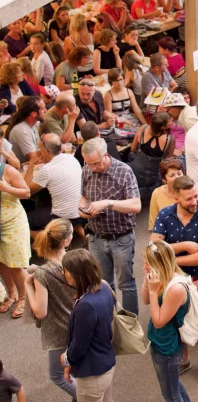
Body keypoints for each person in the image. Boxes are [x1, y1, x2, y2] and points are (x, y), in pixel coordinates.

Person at [150, 175, 198, 390]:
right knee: (178, 322)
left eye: (196, 196)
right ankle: (185, 359)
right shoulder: (165, 214)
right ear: (175, 197)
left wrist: (168, 257)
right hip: (172, 283)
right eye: (189, 198)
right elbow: (153, 249)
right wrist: (185, 245)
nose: (195, 201)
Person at [80, 137, 141, 315]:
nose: (92, 168)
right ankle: (110, 321)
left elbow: (136, 205)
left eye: (96, 163)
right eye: (89, 164)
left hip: (121, 238)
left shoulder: (124, 171)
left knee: (126, 284)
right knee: (103, 283)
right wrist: (83, 209)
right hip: (96, 238)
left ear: (106, 155)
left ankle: (130, 323)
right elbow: (83, 196)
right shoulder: (86, 170)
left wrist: (108, 203)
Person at [24, 218, 77, 400]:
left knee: (58, 375)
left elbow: (40, 312)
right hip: (79, 324)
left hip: (59, 332)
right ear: (66, 241)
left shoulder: (43, 273)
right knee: (75, 369)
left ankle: (89, 397)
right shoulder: (76, 261)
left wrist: (28, 287)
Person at [61, 249, 116, 402]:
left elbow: (79, 344)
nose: (63, 273)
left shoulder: (86, 306)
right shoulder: (104, 287)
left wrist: (67, 358)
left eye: (66, 270)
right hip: (106, 363)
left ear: (76, 274)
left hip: (92, 373)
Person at [141, 240, 192, 402]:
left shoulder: (176, 288)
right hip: (160, 342)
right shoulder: (160, 277)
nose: (144, 266)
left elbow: (158, 322)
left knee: (170, 394)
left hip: (168, 348)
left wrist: (154, 291)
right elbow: (145, 300)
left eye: (147, 263)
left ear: (159, 264)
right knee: (172, 384)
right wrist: (147, 279)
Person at [24, 133, 84, 239]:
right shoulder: (71, 158)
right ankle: (82, 234)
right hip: (81, 211)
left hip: (62, 216)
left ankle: (44, 242)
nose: (39, 152)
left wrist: (31, 163)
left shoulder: (47, 170)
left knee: (24, 219)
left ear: (46, 151)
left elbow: (26, 191)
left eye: (40, 149)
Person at [0, 159, 31, 318]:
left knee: (15, 263)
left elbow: (26, 193)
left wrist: (6, 188)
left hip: (12, 222)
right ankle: (11, 295)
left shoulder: (7, 171)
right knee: (1, 261)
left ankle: (23, 297)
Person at [130, 112, 175, 197]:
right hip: (151, 175)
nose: (172, 120)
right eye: (170, 121)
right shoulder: (169, 139)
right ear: (163, 127)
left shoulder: (143, 128)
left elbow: (133, 149)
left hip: (135, 168)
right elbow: (167, 161)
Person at [7, 96, 46, 164]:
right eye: (42, 109)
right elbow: (35, 160)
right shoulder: (21, 131)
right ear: (34, 114)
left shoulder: (35, 123)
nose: (46, 111)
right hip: (24, 169)